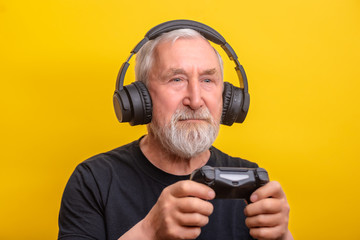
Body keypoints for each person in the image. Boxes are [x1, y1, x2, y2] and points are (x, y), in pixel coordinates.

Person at [58, 25, 293, 240]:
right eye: (177, 79)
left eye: (208, 80)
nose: (195, 100)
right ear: (141, 98)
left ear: (228, 99)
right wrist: (148, 231)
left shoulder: (249, 182)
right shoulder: (93, 180)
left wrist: (283, 236)